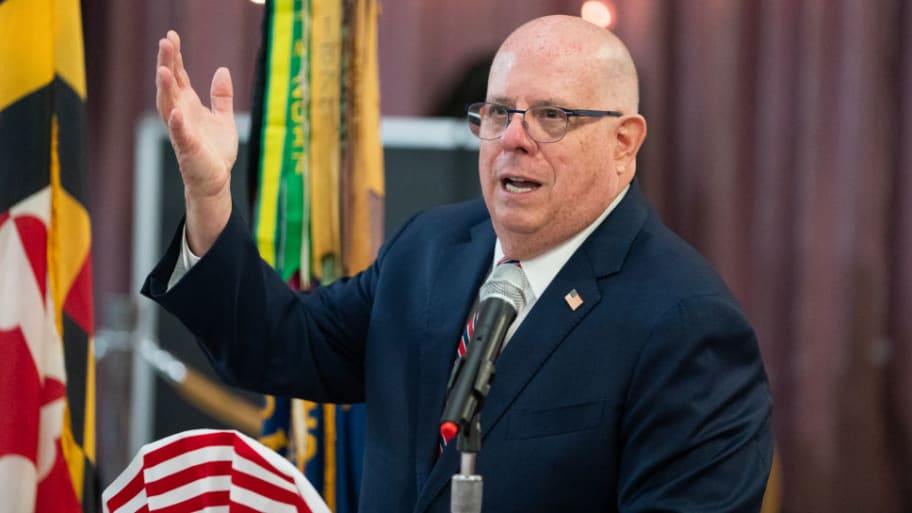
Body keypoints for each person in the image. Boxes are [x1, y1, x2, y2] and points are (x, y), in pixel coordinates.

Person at [143, 15, 773, 513]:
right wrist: (210, 197)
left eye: (552, 115)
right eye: (498, 112)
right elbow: (279, 343)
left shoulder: (688, 326)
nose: (514, 138)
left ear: (624, 143)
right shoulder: (430, 250)